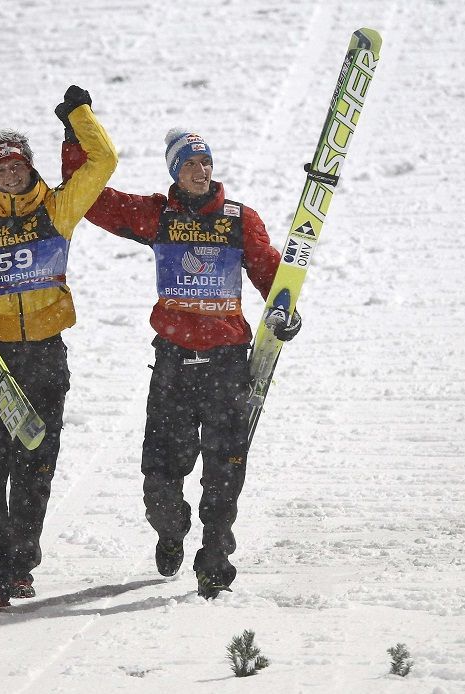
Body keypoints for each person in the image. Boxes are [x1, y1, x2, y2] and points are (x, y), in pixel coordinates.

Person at [61, 127, 301, 599]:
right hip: (172, 362)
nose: (201, 170)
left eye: (205, 162)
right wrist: (75, 134)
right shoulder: (158, 216)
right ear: (175, 170)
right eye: (190, 163)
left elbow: (270, 271)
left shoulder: (239, 219)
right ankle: (170, 531)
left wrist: (285, 311)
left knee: (224, 470)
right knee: (160, 475)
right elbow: (87, 198)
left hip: (227, 363)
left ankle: (215, 560)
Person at [0, 85, 117, 609]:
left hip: (45, 357)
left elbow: (105, 160)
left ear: (30, 167)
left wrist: (78, 115)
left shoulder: (57, 209)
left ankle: (19, 566)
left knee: (35, 465)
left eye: (17, 163)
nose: (9, 171)